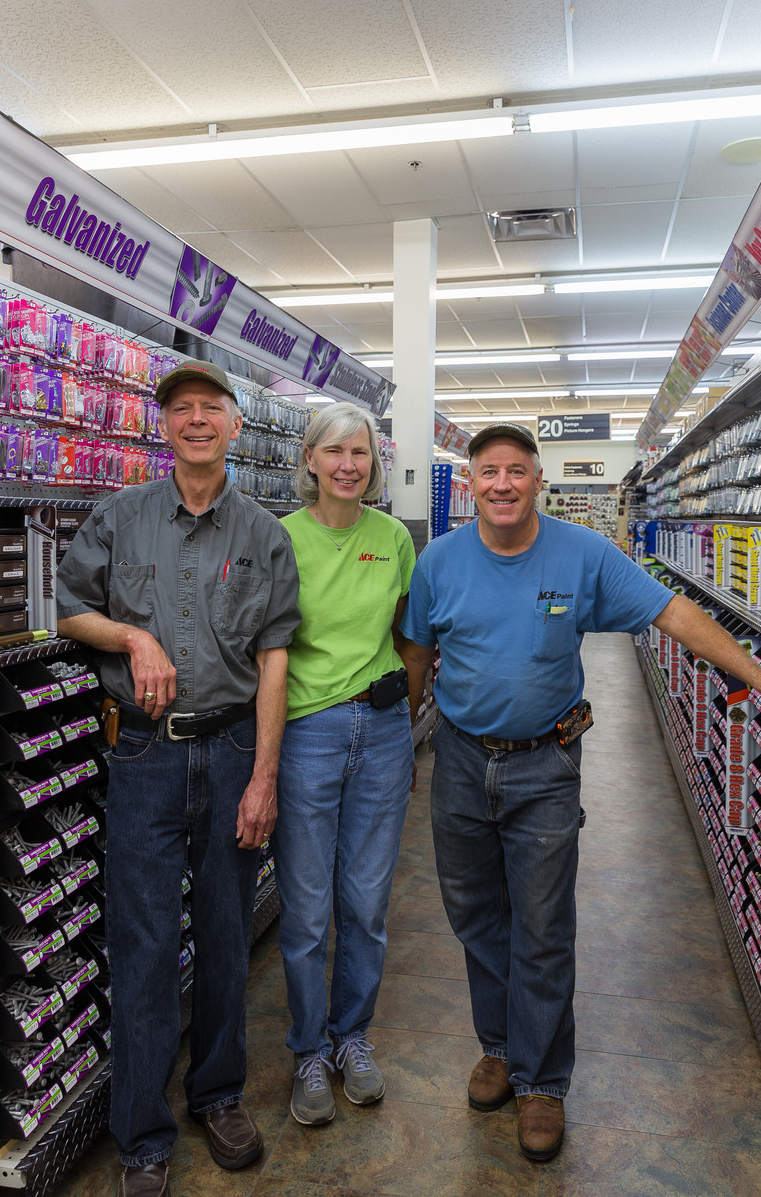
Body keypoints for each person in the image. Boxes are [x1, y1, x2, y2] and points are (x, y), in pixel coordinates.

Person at [398, 421, 761, 1165]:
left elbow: (673, 613)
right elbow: (417, 649)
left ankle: (543, 1081)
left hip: (545, 765)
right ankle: (500, 1047)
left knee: (543, 927)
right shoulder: (438, 562)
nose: (502, 484)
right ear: (470, 483)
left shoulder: (583, 552)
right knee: (476, 917)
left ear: (538, 481)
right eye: (489, 472)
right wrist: (401, 744)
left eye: (517, 471)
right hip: (460, 761)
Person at [56, 359, 301, 1197]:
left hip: (232, 751)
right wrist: (132, 637)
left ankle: (218, 1095)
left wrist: (265, 777)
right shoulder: (118, 516)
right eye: (181, 408)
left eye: (211, 407)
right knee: (145, 944)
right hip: (144, 755)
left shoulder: (265, 534)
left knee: (228, 936)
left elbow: (275, 661)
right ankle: (142, 1133)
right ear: (163, 426)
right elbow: (70, 609)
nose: (197, 419)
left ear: (236, 423)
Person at [272, 401, 416, 1127]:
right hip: (307, 735)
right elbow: (267, 650)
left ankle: (351, 1037)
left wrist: (403, 713)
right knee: (305, 911)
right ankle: (308, 1050)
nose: (348, 465)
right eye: (333, 451)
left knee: (365, 904)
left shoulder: (393, 537)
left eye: (360, 452)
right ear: (310, 460)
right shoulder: (280, 538)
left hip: (384, 732)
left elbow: (409, 632)